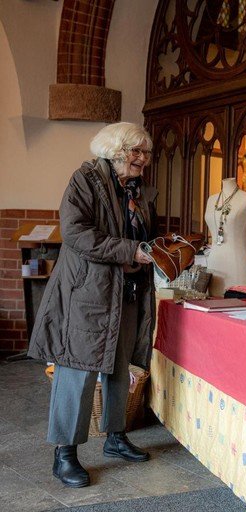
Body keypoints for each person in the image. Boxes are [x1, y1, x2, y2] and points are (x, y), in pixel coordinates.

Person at [27, 122, 158, 488]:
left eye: (145, 152)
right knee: (77, 370)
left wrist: (161, 249)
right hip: (90, 293)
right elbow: (76, 232)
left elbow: (144, 234)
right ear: (114, 150)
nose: (142, 159)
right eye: (135, 151)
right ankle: (64, 454)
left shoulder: (136, 189)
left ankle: (115, 437)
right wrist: (129, 250)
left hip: (128, 291)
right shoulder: (86, 179)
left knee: (119, 368)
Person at [204, 177, 246, 296]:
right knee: (214, 308)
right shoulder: (212, 200)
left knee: (237, 307)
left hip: (238, 263)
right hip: (214, 263)